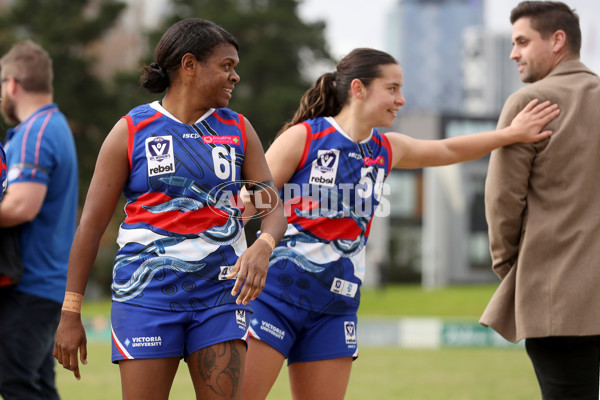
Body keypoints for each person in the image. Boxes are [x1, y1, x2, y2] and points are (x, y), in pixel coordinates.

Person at [241, 47, 559, 400]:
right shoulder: (304, 137)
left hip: (336, 308)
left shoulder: (388, 148)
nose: (401, 99)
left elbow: (450, 150)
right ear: (359, 89)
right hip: (274, 297)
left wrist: (511, 134)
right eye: (392, 89)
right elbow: (250, 203)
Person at [52, 18, 286, 400]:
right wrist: (70, 313)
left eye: (236, 68)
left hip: (220, 298)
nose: (235, 77)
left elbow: (271, 210)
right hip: (146, 297)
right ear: (189, 65)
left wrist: (264, 245)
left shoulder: (239, 130)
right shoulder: (131, 130)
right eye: (227, 66)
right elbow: (90, 228)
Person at [479, 2, 600, 399]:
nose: (514, 53)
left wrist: (511, 267)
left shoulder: (528, 105)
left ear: (557, 41)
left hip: (557, 297)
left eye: (522, 42)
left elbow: (502, 202)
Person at [0, 40, 79, 400]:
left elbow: (21, 207)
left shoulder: (36, 130)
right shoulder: (55, 124)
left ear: (12, 84)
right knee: (37, 386)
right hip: (46, 284)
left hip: (31, 285)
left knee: (13, 382)